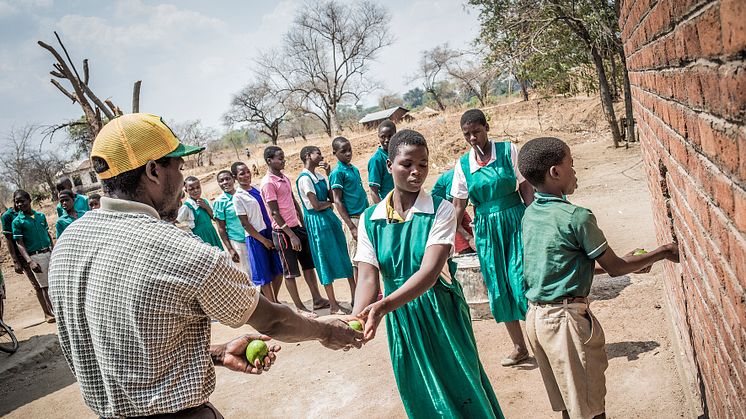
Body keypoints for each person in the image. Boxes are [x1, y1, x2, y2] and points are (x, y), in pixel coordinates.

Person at [48, 113, 362, 418]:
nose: (183, 180)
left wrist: (214, 353)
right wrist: (326, 332)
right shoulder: (177, 249)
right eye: (180, 167)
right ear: (154, 171)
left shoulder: (68, 243)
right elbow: (273, 322)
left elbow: (117, 349)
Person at [518, 137, 680, 419]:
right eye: (572, 164)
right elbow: (616, 267)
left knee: (571, 405)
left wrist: (627, 262)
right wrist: (662, 252)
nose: (576, 171)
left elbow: (563, 267)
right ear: (555, 172)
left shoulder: (531, 214)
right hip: (564, 323)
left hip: (537, 320)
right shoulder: (576, 217)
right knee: (591, 410)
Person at [352, 129, 503, 418]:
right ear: (388, 165)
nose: (416, 172)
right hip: (402, 318)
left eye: (423, 164)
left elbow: (430, 272)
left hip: (440, 310)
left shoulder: (440, 210)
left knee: (462, 385)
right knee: (419, 391)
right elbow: (368, 277)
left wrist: (382, 306)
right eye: (406, 164)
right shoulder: (370, 219)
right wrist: (355, 318)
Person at [451, 109, 534, 366]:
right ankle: (520, 347)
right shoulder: (463, 165)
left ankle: (542, 343)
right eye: (467, 134)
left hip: (516, 220)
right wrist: (453, 237)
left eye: (476, 131)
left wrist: (532, 218)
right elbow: (458, 205)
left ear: (487, 126)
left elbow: (526, 187)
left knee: (522, 281)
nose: (473, 138)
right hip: (486, 230)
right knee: (498, 286)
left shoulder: (509, 151)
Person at [260, 146, 329, 316]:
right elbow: (274, 212)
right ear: (269, 161)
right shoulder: (268, 183)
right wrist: (291, 236)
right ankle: (299, 307)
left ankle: (317, 299)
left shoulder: (283, 177)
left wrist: (302, 223)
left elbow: (292, 200)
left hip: (296, 227)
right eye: (279, 158)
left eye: (283, 157)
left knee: (308, 266)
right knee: (290, 272)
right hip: (283, 233)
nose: (283, 160)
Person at [297, 146, 355, 314]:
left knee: (344, 256)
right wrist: (330, 204)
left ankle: (354, 296)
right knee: (324, 261)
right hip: (317, 223)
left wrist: (329, 174)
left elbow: (331, 198)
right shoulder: (305, 179)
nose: (321, 156)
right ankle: (333, 305)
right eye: (318, 153)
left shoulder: (320, 176)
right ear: (308, 155)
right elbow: (316, 205)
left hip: (329, 220)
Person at [230, 161, 283, 303]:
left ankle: (273, 300)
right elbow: (245, 224)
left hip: (269, 231)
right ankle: (273, 306)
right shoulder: (238, 197)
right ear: (235, 177)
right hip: (256, 238)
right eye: (242, 173)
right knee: (264, 275)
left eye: (248, 171)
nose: (247, 175)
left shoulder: (256, 189)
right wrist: (263, 240)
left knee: (278, 269)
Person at [2, 201, 55, 320]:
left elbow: (46, 233)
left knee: (48, 283)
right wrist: (16, 260)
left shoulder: (37, 215)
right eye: (16, 201)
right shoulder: (8, 217)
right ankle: (47, 312)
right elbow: (10, 240)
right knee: (39, 285)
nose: (19, 203)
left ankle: (53, 310)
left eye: (21, 200)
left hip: (41, 251)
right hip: (25, 255)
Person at [329, 136, 369, 282]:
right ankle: (360, 297)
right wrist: (351, 227)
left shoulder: (354, 169)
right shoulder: (337, 173)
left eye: (349, 150)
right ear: (335, 153)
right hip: (353, 219)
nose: (348, 154)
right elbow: (337, 201)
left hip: (363, 217)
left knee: (367, 257)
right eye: (343, 151)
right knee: (357, 260)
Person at [430, 166, 475, 255]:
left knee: (478, 241)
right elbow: (452, 216)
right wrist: (468, 238)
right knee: (465, 248)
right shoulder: (455, 178)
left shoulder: (475, 175)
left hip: (457, 209)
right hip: (440, 214)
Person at [214, 170, 250, 274]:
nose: (225, 182)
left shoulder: (243, 193)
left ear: (233, 179)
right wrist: (230, 249)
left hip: (253, 237)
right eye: (221, 181)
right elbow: (221, 227)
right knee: (247, 273)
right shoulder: (219, 202)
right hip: (238, 241)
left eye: (227, 179)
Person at [176, 176, 224, 250]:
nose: (195, 190)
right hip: (200, 238)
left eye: (198, 187)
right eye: (191, 189)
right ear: (186, 190)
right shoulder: (187, 207)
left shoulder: (205, 201)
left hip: (212, 233)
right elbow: (176, 221)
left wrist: (206, 207)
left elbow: (214, 218)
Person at [368, 120, 396, 204]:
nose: (386, 140)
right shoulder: (376, 160)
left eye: (390, 136)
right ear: (378, 136)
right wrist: (382, 210)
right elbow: (374, 191)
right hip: (387, 203)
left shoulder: (398, 153)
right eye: (383, 136)